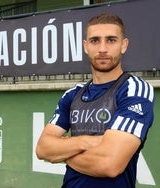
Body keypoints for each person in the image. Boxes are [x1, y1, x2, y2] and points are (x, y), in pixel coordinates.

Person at [35, 13, 154, 188]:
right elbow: (42, 149)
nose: (102, 49)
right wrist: (90, 142)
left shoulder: (133, 90)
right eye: (95, 40)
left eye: (111, 40)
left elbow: (110, 164)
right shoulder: (72, 94)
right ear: (86, 46)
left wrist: (64, 149)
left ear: (124, 45)